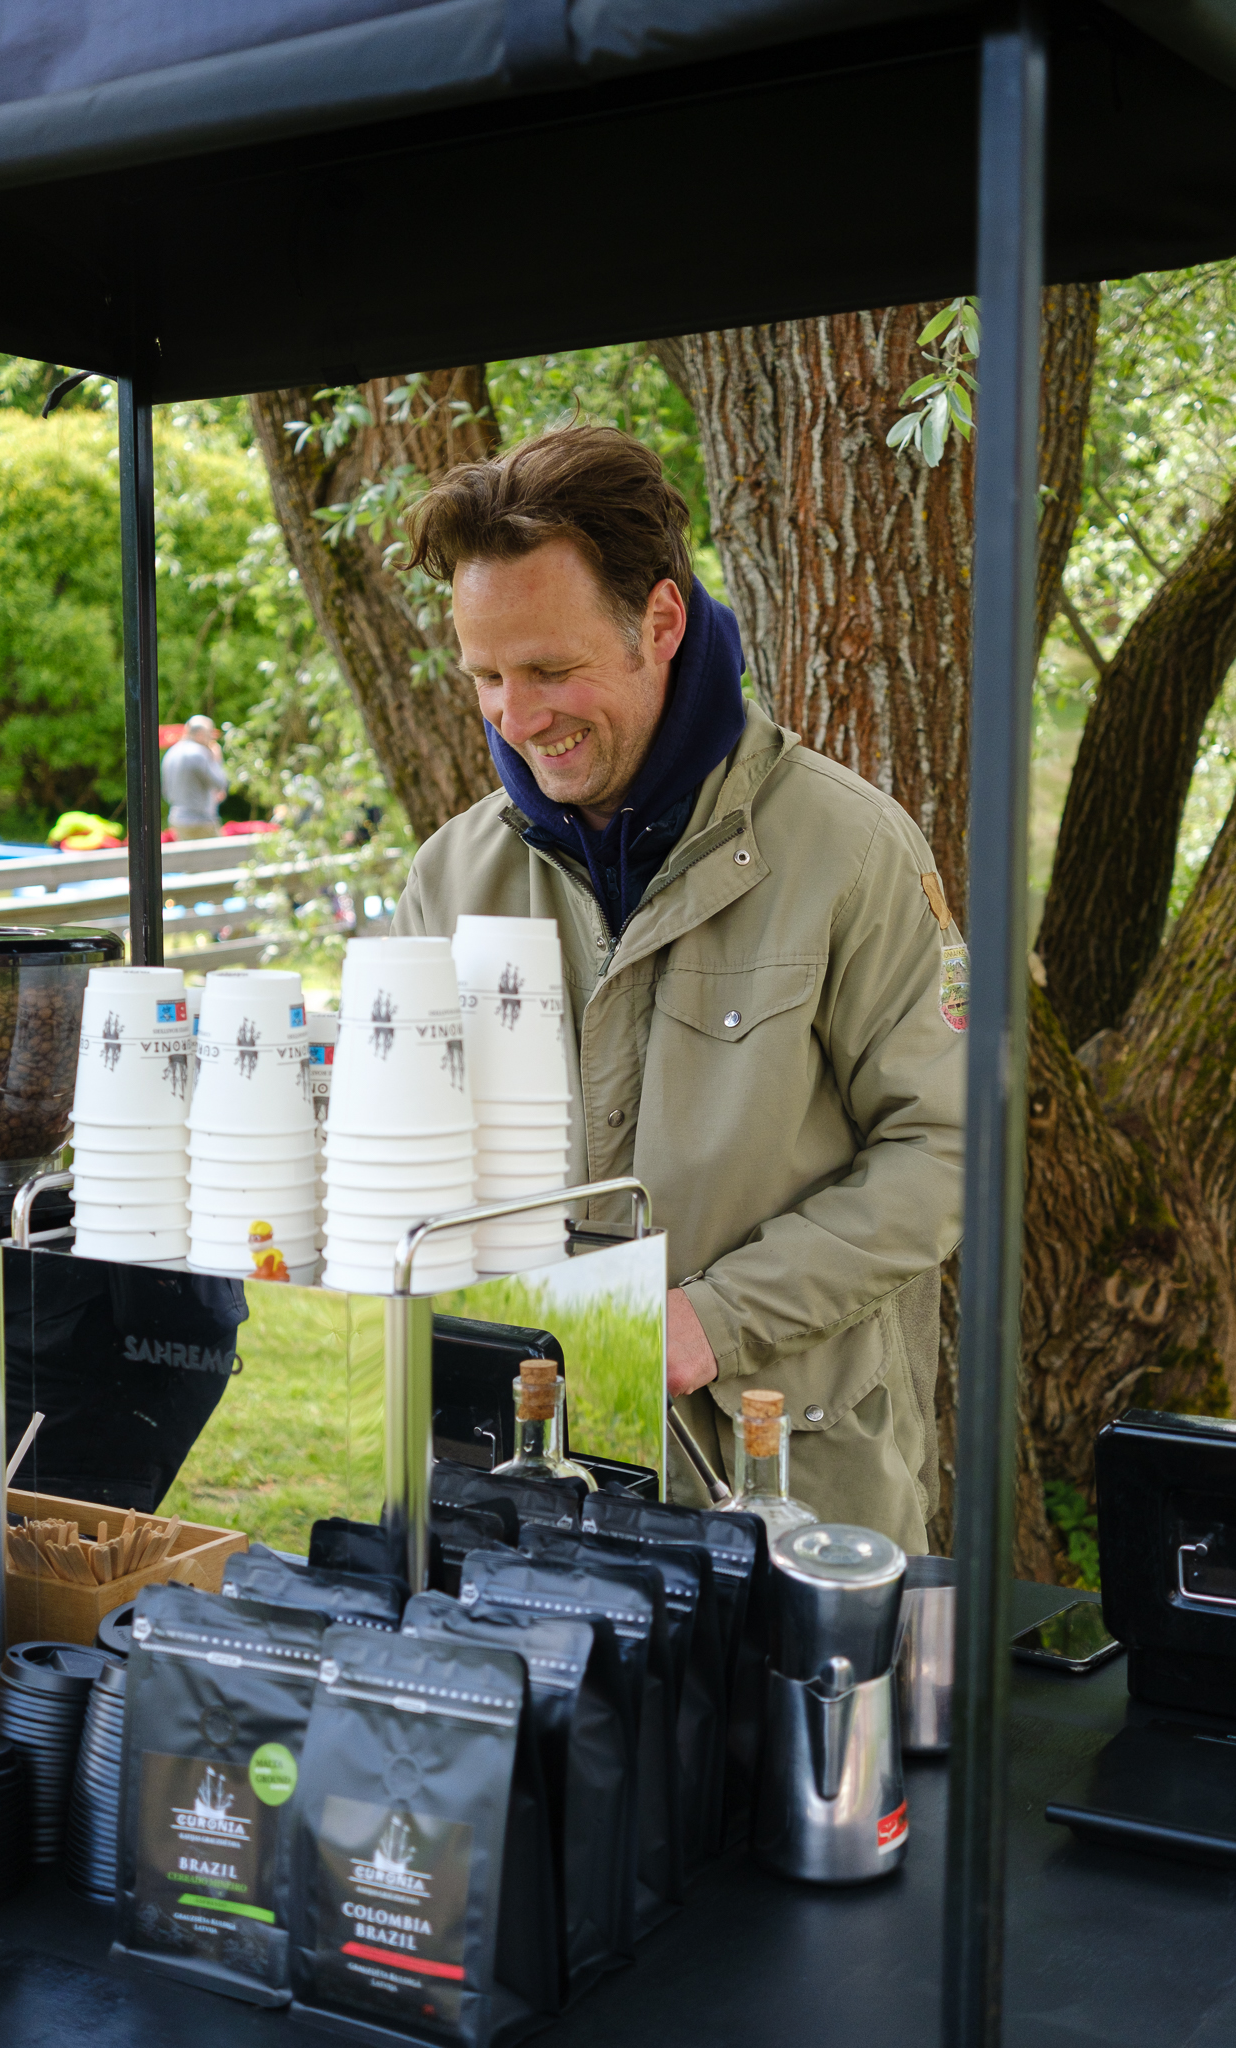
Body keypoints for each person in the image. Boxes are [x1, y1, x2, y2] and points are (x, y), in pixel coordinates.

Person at [392, 427, 965, 1545]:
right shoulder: (448, 876)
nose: (516, 718)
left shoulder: (854, 851)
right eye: (487, 678)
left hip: (788, 1491)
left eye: (550, 670)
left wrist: (717, 1316)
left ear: (660, 622)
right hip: (524, 1494)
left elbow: (948, 1150)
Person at [161, 713, 228, 840]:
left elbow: (166, 792)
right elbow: (220, 782)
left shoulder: (171, 752)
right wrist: (217, 759)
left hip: (177, 820)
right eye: (210, 734)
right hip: (201, 821)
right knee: (218, 853)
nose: (211, 740)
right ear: (200, 734)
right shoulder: (199, 753)